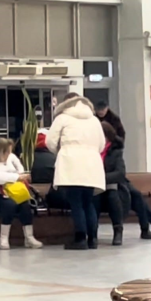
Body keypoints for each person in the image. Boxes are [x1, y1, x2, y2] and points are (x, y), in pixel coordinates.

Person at [47, 93, 106, 250]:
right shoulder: (94, 120)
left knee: (76, 203)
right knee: (88, 202)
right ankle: (93, 239)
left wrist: (61, 151)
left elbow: (50, 141)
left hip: (70, 163)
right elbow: (102, 144)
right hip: (92, 164)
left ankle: (80, 239)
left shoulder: (62, 118)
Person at [0, 138, 43, 250]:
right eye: (7, 152)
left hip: (14, 192)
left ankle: (29, 237)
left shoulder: (11, 158)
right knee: (9, 205)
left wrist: (19, 175)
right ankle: (3, 237)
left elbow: (20, 168)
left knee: (25, 204)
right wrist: (16, 177)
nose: (9, 155)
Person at [96, 122, 130, 247]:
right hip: (95, 188)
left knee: (113, 196)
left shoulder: (115, 152)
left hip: (111, 186)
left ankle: (118, 231)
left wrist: (101, 178)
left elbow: (120, 173)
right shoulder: (92, 151)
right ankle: (92, 234)